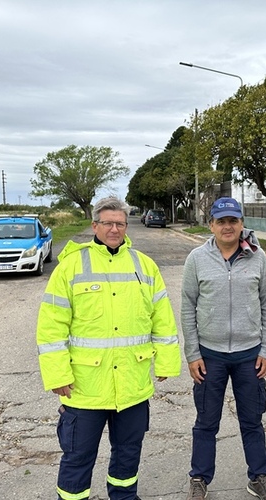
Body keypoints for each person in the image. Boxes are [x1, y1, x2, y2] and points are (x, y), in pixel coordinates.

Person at [36, 197, 181, 500]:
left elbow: (162, 318)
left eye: (120, 223)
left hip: (132, 383)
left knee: (128, 454)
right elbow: (51, 326)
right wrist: (57, 374)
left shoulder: (145, 266)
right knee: (78, 456)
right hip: (85, 386)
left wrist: (167, 363)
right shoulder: (71, 267)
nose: (114, 229)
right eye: (108, 223)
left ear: (127, 226)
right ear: (95, 226)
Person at [181, 197, 266, 500]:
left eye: (233, 221)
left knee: (252, 420)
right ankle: (199, 478)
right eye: (221, 221)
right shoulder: (197, 258)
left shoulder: (258, 257)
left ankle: (259, 476)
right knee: (206, 422)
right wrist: (192, 354)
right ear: (211, 225)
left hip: (249, 355)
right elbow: (188, 306)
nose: (228, 226)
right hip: (209, 356)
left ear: (241, 224)